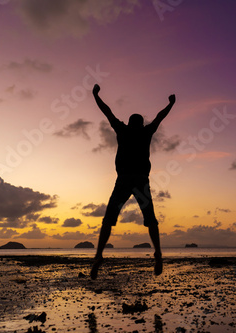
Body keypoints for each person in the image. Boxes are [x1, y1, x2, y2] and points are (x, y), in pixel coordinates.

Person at [90, 83, 175, 279]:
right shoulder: (146, 132)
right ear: (141, 123)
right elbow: (160, 117)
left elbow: (107, 111)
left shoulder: (122, 129)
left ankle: (98, 256)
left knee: (108, 220)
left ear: (129, 123)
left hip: (124, 181)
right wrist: (170, 104)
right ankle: (158, 254)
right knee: (150, 219)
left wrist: (96, 95)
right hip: (140, 182)